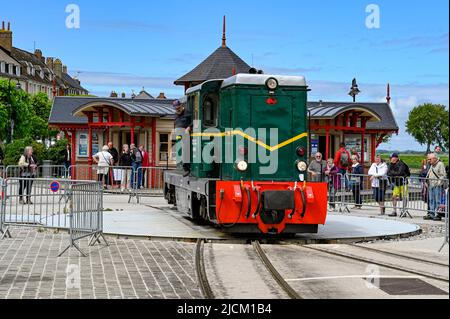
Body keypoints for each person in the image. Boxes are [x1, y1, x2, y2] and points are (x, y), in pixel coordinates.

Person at [387, 153, 411, 217]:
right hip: (396, 183)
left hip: (403, 183)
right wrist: (393, 173)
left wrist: (392, 173)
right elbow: (388, 173)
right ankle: (394, 211)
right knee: (394, 197)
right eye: (390, 158)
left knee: (404, 197)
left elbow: (399, 173)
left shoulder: (401, 164)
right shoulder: (391, 164)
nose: (391, 159)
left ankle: (404, 210)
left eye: (392, 158)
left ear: (396, 158)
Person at [425, 153, 446, 221]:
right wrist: (426, 181)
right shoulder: (432, 165)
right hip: (431, 185)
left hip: (437, 185)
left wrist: (439, 183)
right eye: (428, 159)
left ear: (435, 158)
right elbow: (429, 173)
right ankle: (431, 213)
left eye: (430, 159)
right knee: (431, 200)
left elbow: (443, 175)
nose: (428, 160)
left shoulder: (440, 164)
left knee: (438, 200)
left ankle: (438, 214)